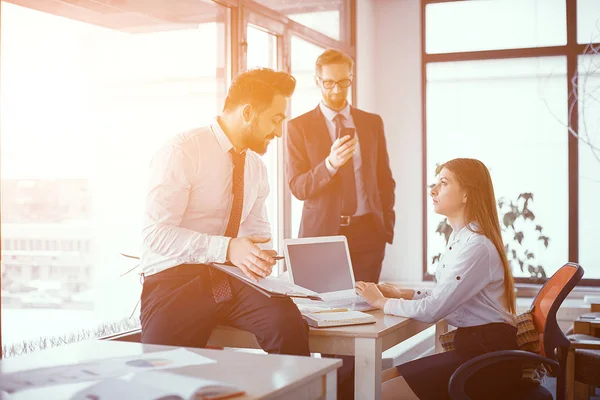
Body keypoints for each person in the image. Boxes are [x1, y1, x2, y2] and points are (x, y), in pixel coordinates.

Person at [139, 68, 310, 357]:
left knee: (288, 324)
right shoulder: (182, 152)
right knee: (162, 371)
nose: (279, 132)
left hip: (232, 280)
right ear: (247, 113)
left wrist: (259, 255)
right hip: (176, 281)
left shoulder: (256, 167)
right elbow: (155, 235)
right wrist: (228, 248)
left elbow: (257, 234)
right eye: (275, 119)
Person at [356, 158, 519, 400]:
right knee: (377, 381)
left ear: (466, 195)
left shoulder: (477, 247)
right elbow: (445, 295)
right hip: (473, 348)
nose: (433, 190)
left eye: (443, 183)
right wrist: (404, 294)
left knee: (380, 393)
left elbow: (434, 310)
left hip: (487, 359)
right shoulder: (460, 238)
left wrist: (381, 303)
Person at [285, 48, 396, 284]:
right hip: (321, 234)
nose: (337, 90)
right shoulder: (298, 127)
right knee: (323, 310)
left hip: (369, 234)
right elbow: (297, 187)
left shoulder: (371, 123)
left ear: (351, 79)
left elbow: (384, 179)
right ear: (317, 81)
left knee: (367, 310)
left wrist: (385, 227)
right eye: (329, 83)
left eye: (344, 82)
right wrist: (330, 164)